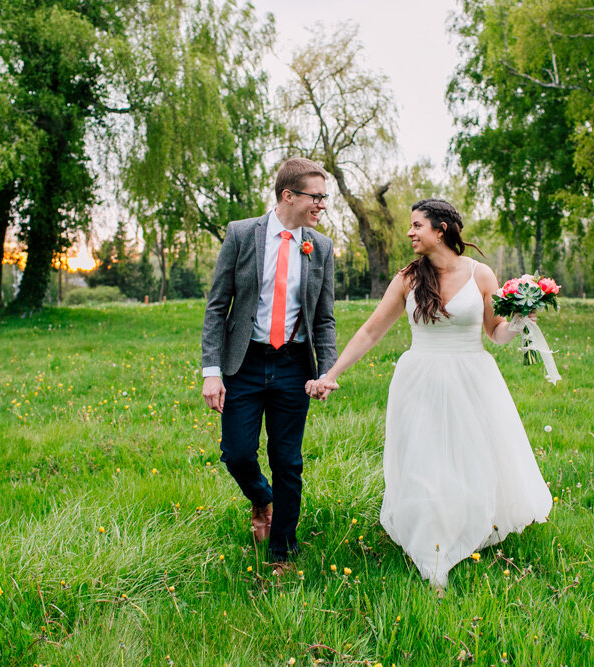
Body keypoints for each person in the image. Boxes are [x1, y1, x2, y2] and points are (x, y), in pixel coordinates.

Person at [308, 199, 552, 587]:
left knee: (469, 462)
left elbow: (495, 332)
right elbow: (372, 330)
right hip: (419, 378)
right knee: (424, 465)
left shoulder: (481, 274)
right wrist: (332, 373)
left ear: (440, 230)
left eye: (417, 225)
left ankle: (466, 525)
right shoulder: (408, 278)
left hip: (472, 379)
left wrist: (521, 319)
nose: (410, 232)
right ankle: (432, 556)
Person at [201, 157, 337, 568]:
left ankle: (283, 551)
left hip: (294, 365)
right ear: (288, 195)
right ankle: (262, 498)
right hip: (244, 363)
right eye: (316, 197)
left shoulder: (321, 246)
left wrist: (326, 371)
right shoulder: (242, 235)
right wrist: (212, 371)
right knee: (236, 453)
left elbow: (324, 318)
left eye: (325, 197)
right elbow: (216, 306)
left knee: (288, 460)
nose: (322, 205)